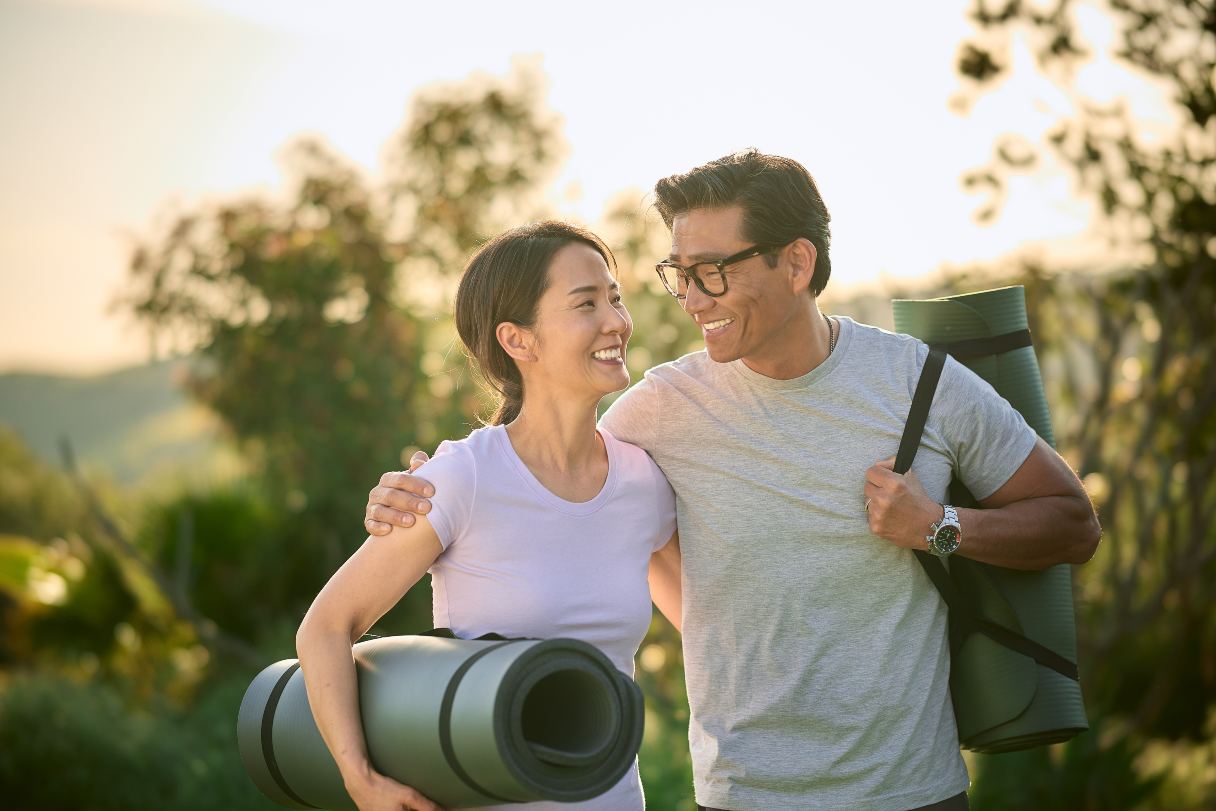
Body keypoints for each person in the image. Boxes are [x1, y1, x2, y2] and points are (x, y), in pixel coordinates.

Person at [364, 151, 1102, 811]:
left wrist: (939, 525)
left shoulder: (923, 382)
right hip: (743, 793)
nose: (690, 297)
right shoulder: (660, 407)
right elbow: (542, 463)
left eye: (712, 270)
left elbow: (1073, 522)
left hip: (914, 790)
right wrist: (430, 481)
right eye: (679, 273)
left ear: (797, 263)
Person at [296, 221, 681, 811]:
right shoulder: (463, 478)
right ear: (518, 340)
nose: (616, 321)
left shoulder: (642, 482)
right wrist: (360, 778)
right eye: (585, 304)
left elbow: (707, 623)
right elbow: (324, 628)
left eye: (615, 297)